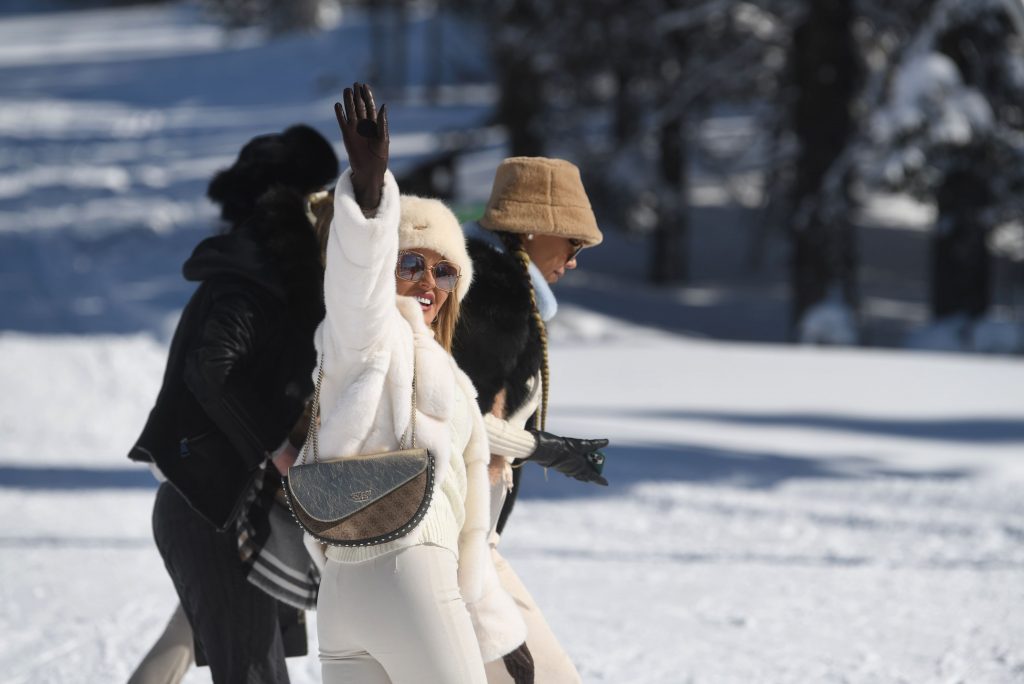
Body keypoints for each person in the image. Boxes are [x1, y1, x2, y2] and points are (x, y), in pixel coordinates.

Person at [307, 82, 531, 684]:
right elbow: (356, 286)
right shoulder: (368, 337)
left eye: (444, 270)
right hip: (405, 575)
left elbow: (467, 525)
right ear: (387, 267)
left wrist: (498, 632)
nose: (427, 280)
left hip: (344, 596)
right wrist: (372, 192)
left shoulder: (451, 379)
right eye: (410, 262)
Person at [127, 124, 338, 683]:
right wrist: (279, 449)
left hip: (233, 511)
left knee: (233, 656)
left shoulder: (265, 278)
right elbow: (210, 368)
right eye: (323, 199)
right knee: (251, 671)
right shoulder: (249, 281)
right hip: (212, 511)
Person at [452, 156, 608, 683]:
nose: (575, 260)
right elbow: (455, 419)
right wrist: (541, 447)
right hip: (461, 540)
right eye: (574, 243)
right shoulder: (493, 294)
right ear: (538, 229)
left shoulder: (484, 280)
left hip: (463, 535)